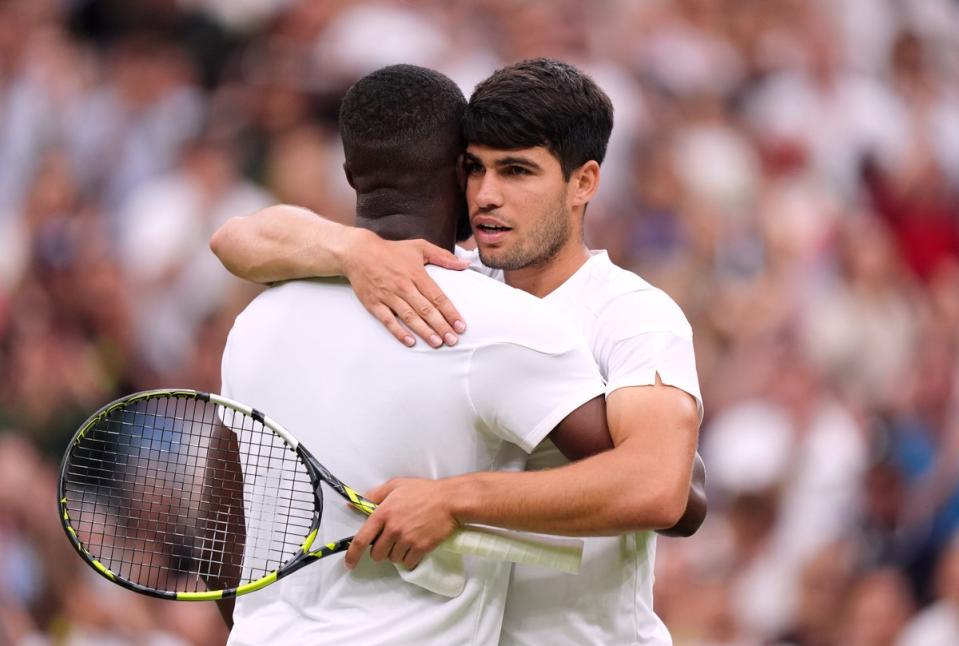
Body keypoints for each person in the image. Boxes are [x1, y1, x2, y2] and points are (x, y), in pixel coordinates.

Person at [212, 58, 704, 645]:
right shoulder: (438, 285)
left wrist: (453, 500)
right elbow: (236, 238)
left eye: (518, 171)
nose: (488, 196)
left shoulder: (634, 316)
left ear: (584, 182)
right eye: (475, 169)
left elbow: (660, 489)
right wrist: (353, 250)